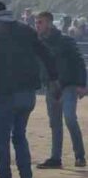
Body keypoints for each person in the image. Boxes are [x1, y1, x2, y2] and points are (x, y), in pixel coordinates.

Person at [0, 0, 58, 178]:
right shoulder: (26, 29)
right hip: (27, 93)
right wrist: (54, 78)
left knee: (2, 141)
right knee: (20, 137)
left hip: (4, 93)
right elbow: (46, 54)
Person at [35, 11, 87, 169]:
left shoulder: (65, 40)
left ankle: (80, 156)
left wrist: (83, 84)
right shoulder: (38, 43)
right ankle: (56, 158)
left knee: (70, 118)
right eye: (37, 23)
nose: (37, 26)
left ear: (50, 23)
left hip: (68, 84)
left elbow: (78, 61)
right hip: (51, 86)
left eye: (40, 22)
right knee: (55, 123)